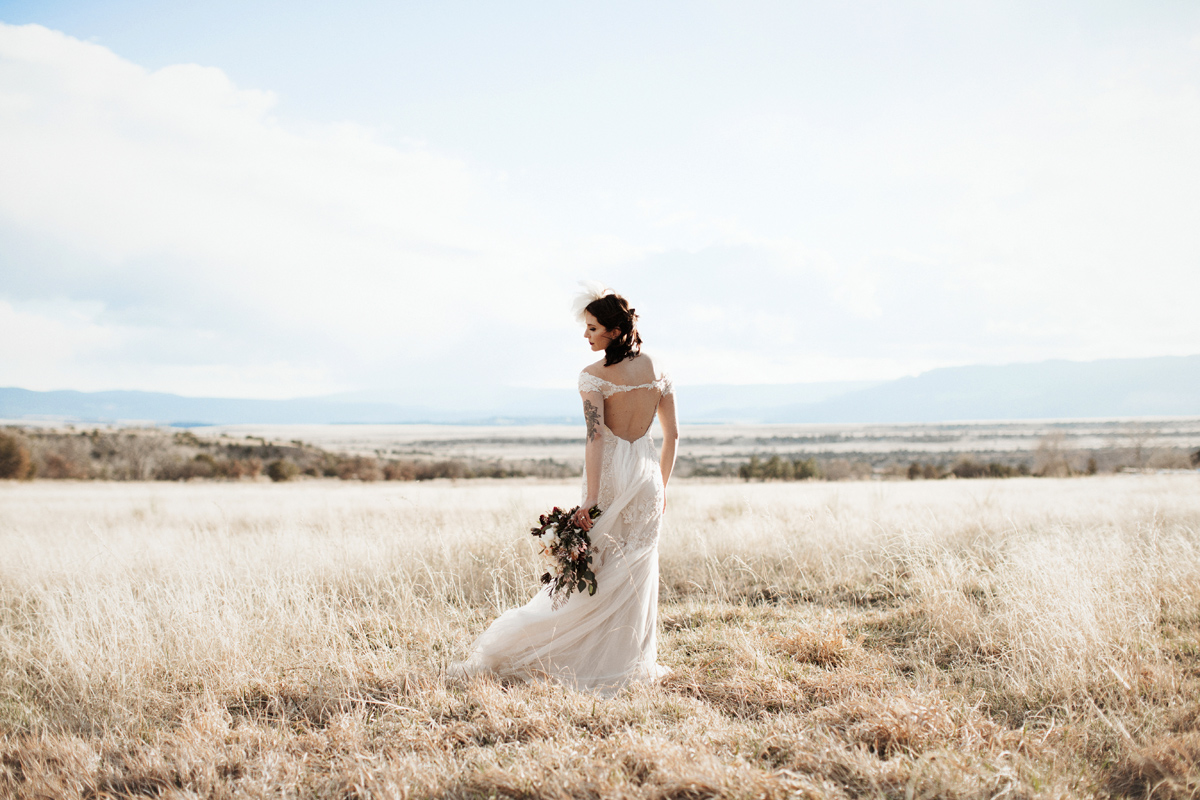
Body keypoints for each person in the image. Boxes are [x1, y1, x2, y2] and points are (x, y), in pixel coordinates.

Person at [449, 283, 678, 695]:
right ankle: (629, 662)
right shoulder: (659, 369)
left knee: (600, 566)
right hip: (647, 479)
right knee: (635, 569)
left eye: (592, 328)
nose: (585, 336)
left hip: (610, 475)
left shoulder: (592, 377)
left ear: (612, 330)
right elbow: (673, 436)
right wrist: (661, 488)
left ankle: (579, 659)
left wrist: (591, 498)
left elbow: (595, 439)